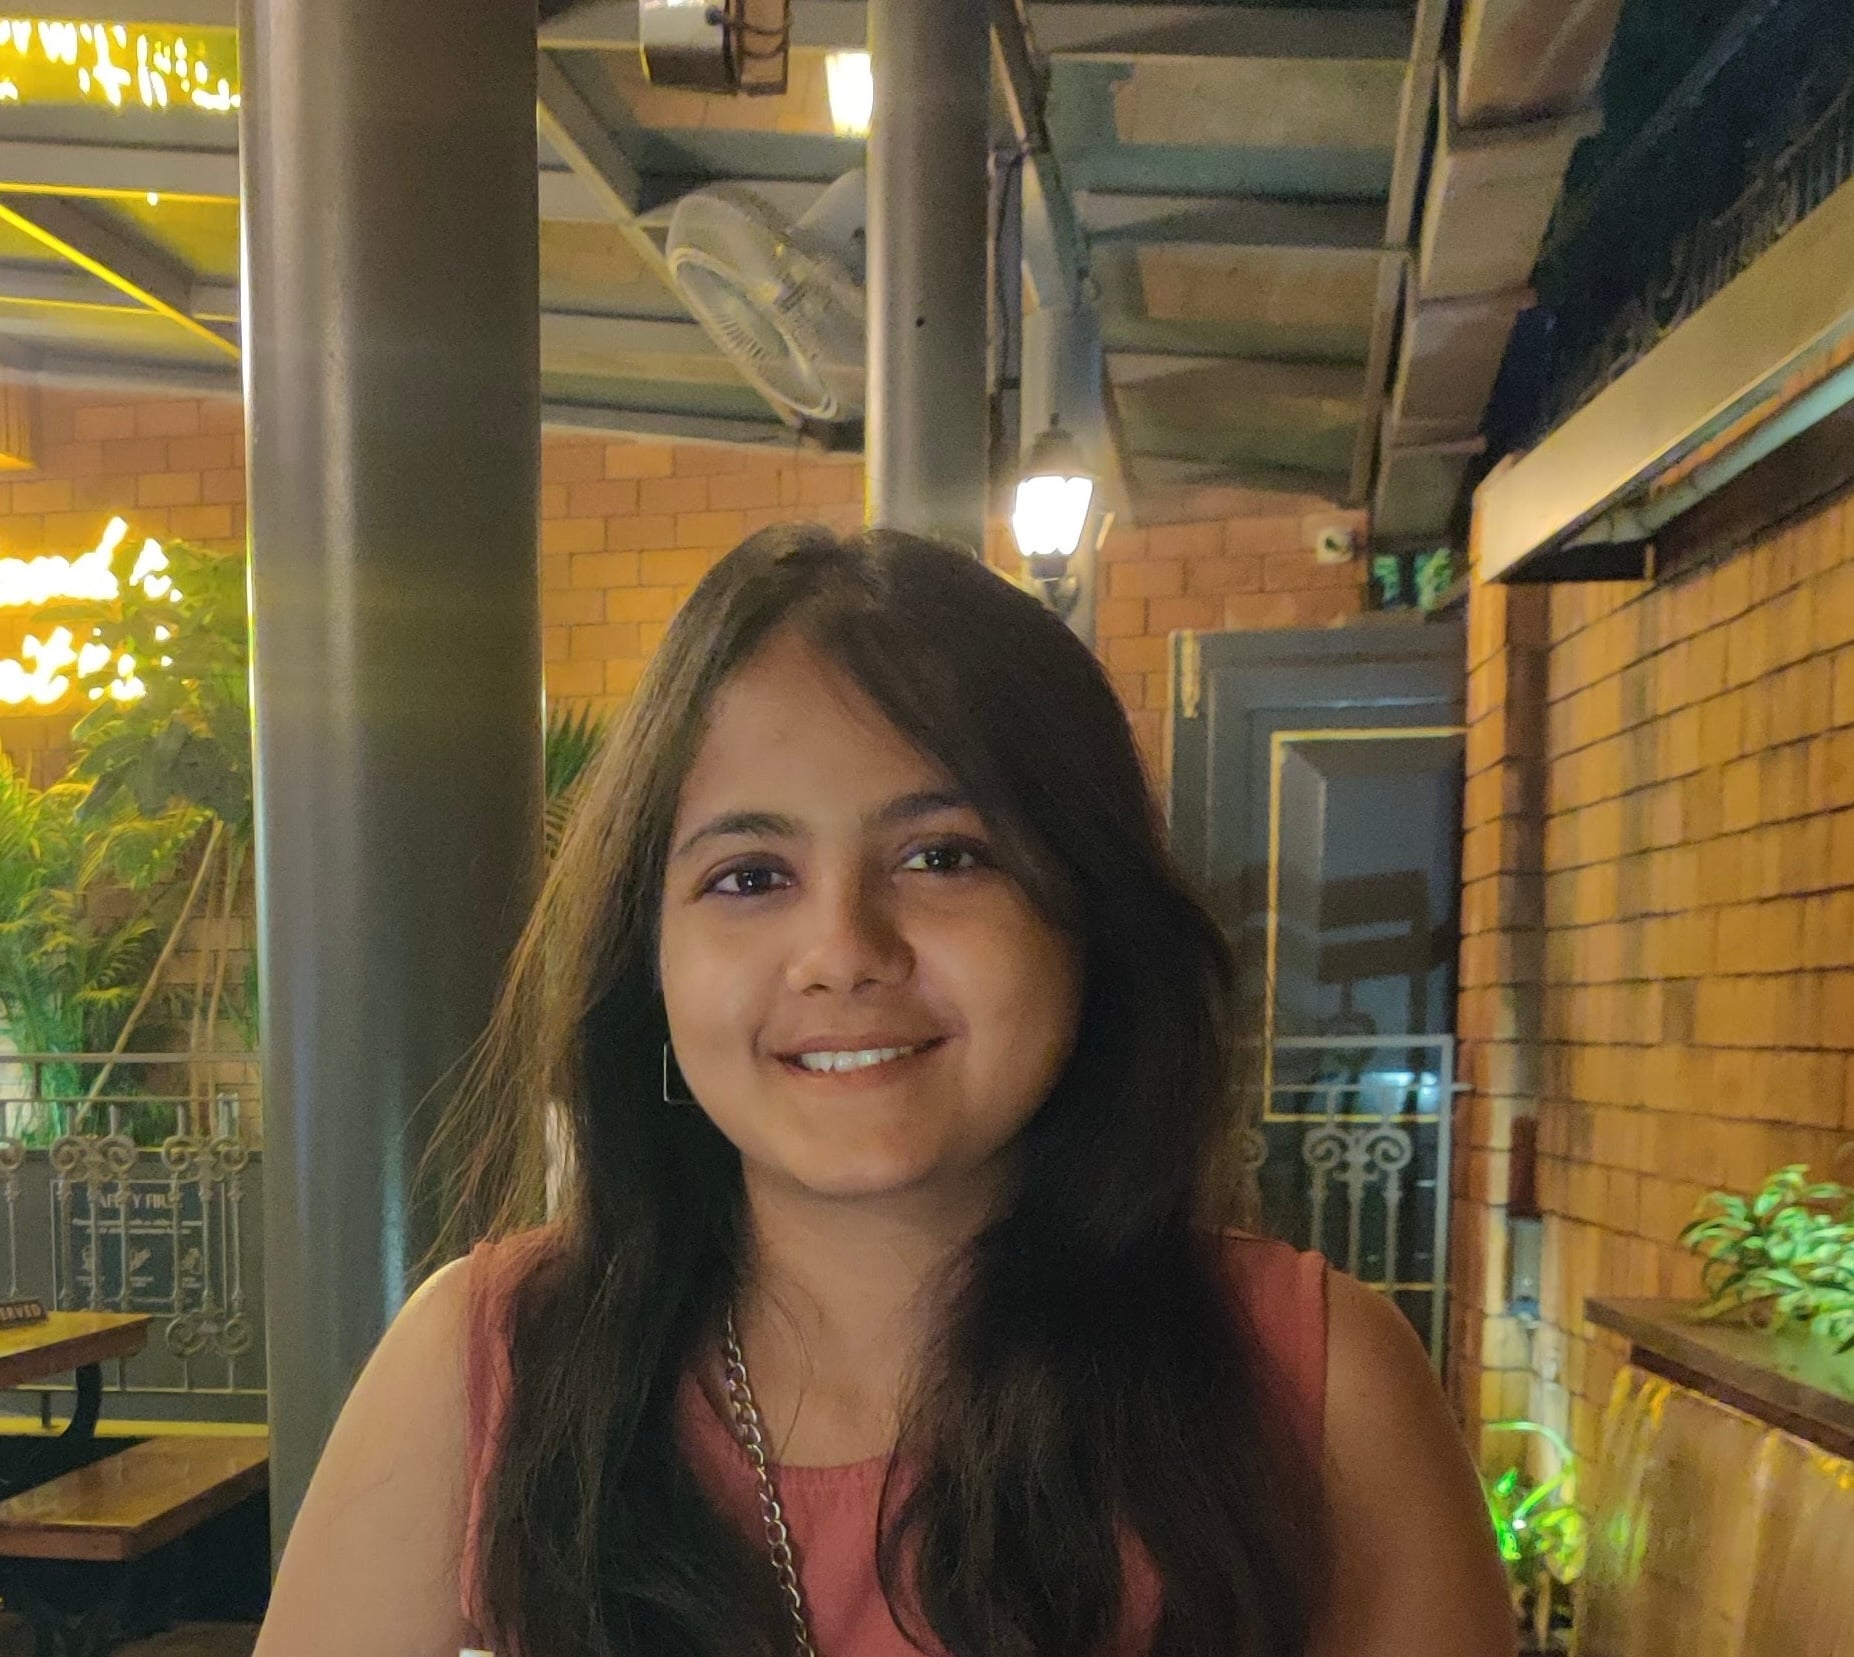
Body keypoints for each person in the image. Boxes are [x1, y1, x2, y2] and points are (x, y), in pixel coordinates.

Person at [255, 526, 1513, 1657]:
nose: (844, 950)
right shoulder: (490, 1369)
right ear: (651, 965)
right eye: (750, 875)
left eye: (944, 856)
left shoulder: (1316, 1387)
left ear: (1089, 915)